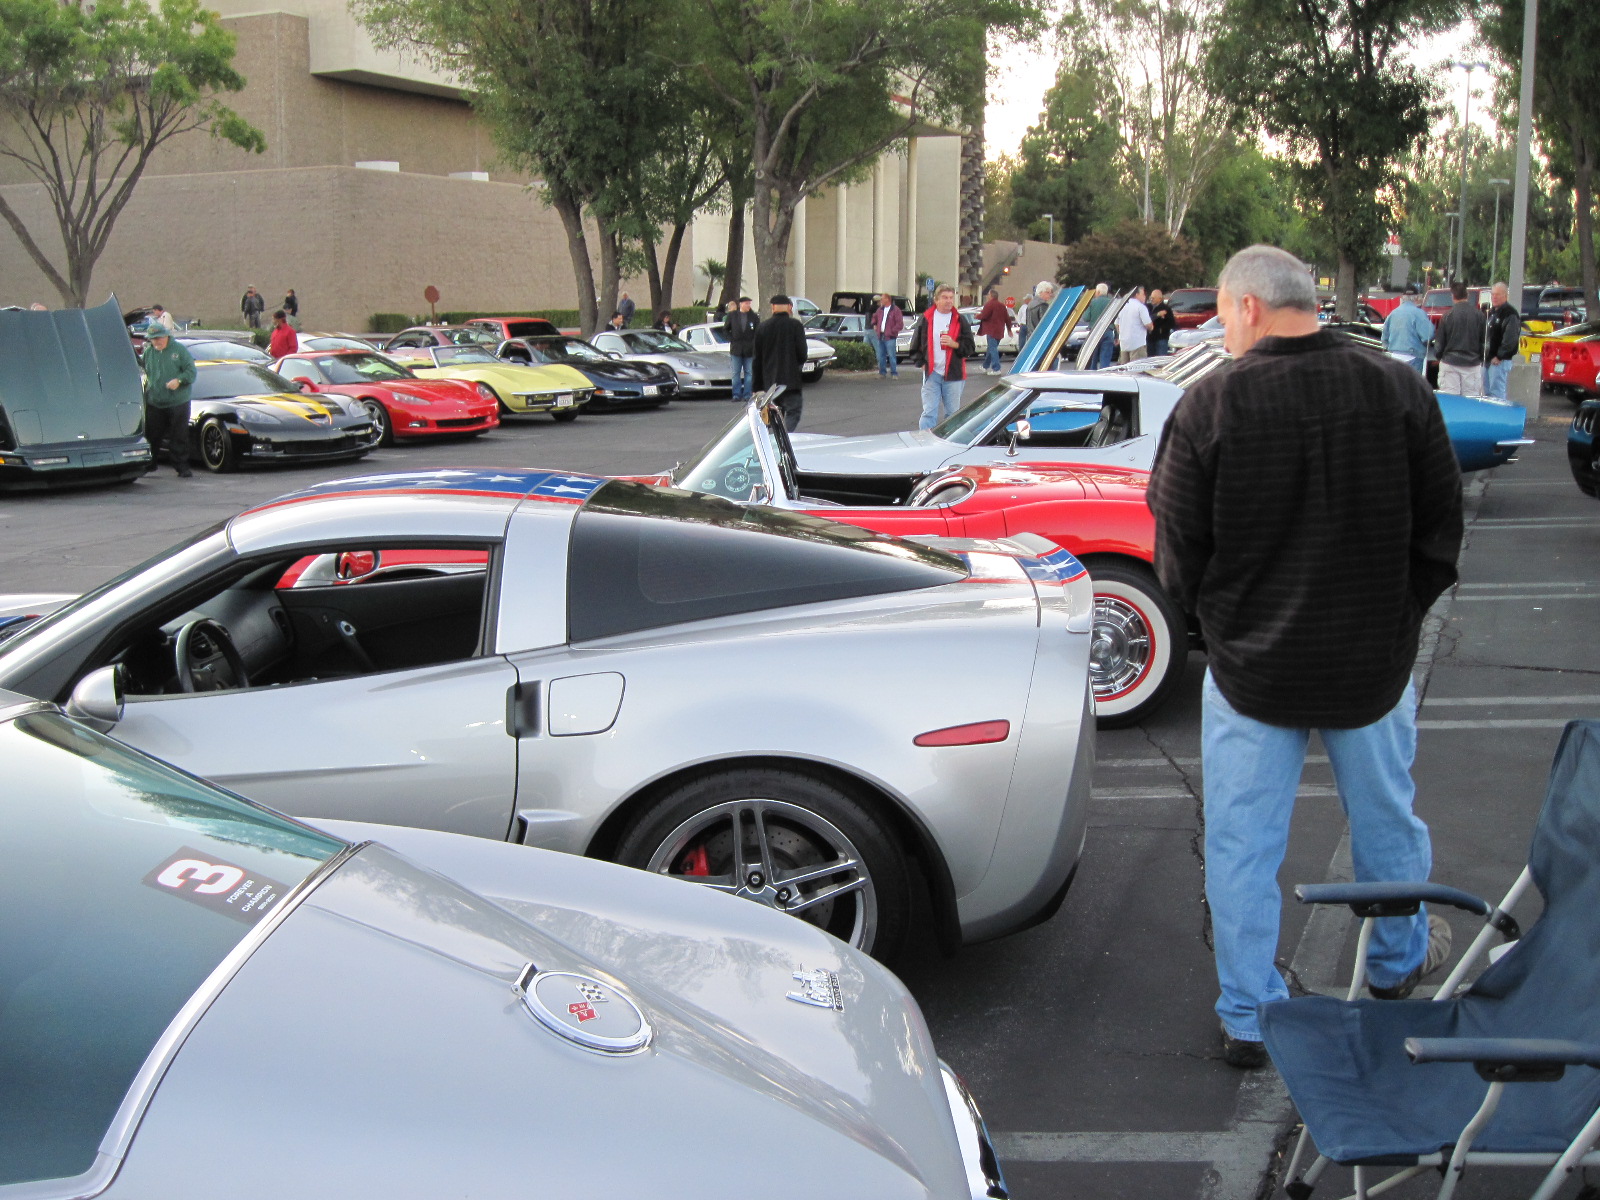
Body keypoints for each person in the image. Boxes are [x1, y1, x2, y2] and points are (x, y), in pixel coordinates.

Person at [1147, 245, 1462, 1070]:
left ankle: (1248, 1016)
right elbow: (1440, 531)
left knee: (1244, 845)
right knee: (1387, 820)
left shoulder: (1209, 407)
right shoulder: (1398, 389)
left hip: (1253, 672)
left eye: (1221, 314)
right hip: (1372, 664)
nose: (1222, 329)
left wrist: (1222, 628)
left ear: (1249, 307)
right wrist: (1399, 619)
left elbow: (1178, 551)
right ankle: (1397, 965)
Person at [908, 283, 975, 429]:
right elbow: (915, 344)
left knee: (952, 414)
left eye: (951, 298)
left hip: (954, 374)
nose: (949, 301)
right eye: (945, 297)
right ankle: (925, 443)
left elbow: (970, 347)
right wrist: (921, 362)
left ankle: (949, 444)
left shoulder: (960, 320)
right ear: (936, 300)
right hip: (932, 373)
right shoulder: (926, 319)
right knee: (929, 412)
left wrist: (954, 344)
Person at [139, 324, 197, 478]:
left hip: (178, 401)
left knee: (179, 435)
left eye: (159, 338)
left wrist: (179, 380)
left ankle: (182, 466)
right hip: (155, 401)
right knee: (152, 435)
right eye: (153, 339)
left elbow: (191, 371)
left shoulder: (179, 350)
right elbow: (141, 367)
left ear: (166, 336)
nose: (156, 342)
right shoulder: (149, 352)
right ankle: (149, 464)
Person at [753, 294, 808, 431]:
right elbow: (802, 354)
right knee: (793, 411)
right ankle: (787, 437)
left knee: (774, 414)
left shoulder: (763, 327)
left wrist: (756, 386)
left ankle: (777, 440)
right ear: (790, 307)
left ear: (772, 307)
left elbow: (757, 359)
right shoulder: (795, 326)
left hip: (770, 382)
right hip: (790, 380)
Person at [1432, 282, 1487, 396]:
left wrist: (1439, 356)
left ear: (1453, 296)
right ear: (1467, 295)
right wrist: (1480, 358)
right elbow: (1484, 342)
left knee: (1450, 400)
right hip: (1472, 364)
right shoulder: (1479, 316)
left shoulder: (1447, 316)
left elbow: (1439, 343)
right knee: (1471, 401)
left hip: (1450, 363)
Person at [1381, 287, 1434, 374]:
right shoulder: (1419, 313)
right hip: (1414, 356)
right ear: (1417, 297)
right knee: (1412, 386)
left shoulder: (1393, 313)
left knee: (1397, 385)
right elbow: (1428, 335)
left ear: (1402, 297)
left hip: (1395, 355)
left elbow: (1384, 337)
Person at [1482, 281, 1521, 400]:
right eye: (1493, 294)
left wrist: (1499, 356)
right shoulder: (1492, 313)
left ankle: (1499, 417)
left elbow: (1510, 339)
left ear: (1505, 295)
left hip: (1499, 362)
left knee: (1497, 394)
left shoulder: (1510, 314)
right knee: (1486, 394)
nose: (1494, 297)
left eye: (1497, 294)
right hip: (1487, 360)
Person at [722, 296, 759, 402]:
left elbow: (757, 331)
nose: (748, 306)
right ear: (741, 304)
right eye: (746, 303)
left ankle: (747, 394)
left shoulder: (754, 317)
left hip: (749, 350)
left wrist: (754, 343)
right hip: (736, 349)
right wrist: (731, 339)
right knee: (736, 373)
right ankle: (736, 394)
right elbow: (725, 329)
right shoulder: (732, 315)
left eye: (749, 303)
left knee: (749, 372)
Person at [975, 287, 1013, 375]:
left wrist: (977, 316)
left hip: (991, 330)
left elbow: (984, 315)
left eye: (988, 294)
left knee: (993, 349)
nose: (987, 296)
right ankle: (985, 366)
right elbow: (1007, 318)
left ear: (991, 295)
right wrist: (1009, 329)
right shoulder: (1002, 306)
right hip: (999, 331)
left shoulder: (989, 304)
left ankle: (996, 369)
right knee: (991, 348)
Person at [1083, 283, 1117, 369]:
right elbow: (1116, 320)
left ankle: (1093, 378)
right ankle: (1104, 378)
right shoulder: (1112, 302)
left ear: (1098, 292)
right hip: (1108, 332)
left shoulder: (1093, 302)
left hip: (1094, 333)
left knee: (1093, 360)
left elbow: (1086, 318)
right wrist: (1117, 336)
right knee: (1105, 360)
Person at [1116, 286, 1154, 363]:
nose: (1145, 297)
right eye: (1143, 294)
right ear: (1137, 294)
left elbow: (1117, 324)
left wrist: (1122, 334)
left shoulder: (1122, 306)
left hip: (1124, 344)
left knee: (1124, 371)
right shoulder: (1141, 307)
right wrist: (1152, 327)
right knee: (1137, 371)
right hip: (1138, 344)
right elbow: (1148, 325)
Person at [1024, 281, 1057, 361]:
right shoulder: (1043, 305)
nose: (1050, 295)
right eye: (1047, 292)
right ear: (1041, 292)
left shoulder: (1030, 304)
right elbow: (1045, 324)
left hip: (1031, 338)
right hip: (1041, 339)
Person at [1147, 289, 1175, 357]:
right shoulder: (1148, 307)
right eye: (1151, 297)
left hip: (1161, 338)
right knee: (1150, 359)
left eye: (1153, 298)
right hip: (1149, 338)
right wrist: (1157, 315)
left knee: (1160, 358)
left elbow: (1172, 323)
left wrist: (1161, 329)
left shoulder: (1166, 309)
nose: (1151, 299)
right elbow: (1146, 319)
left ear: (1160, 299)